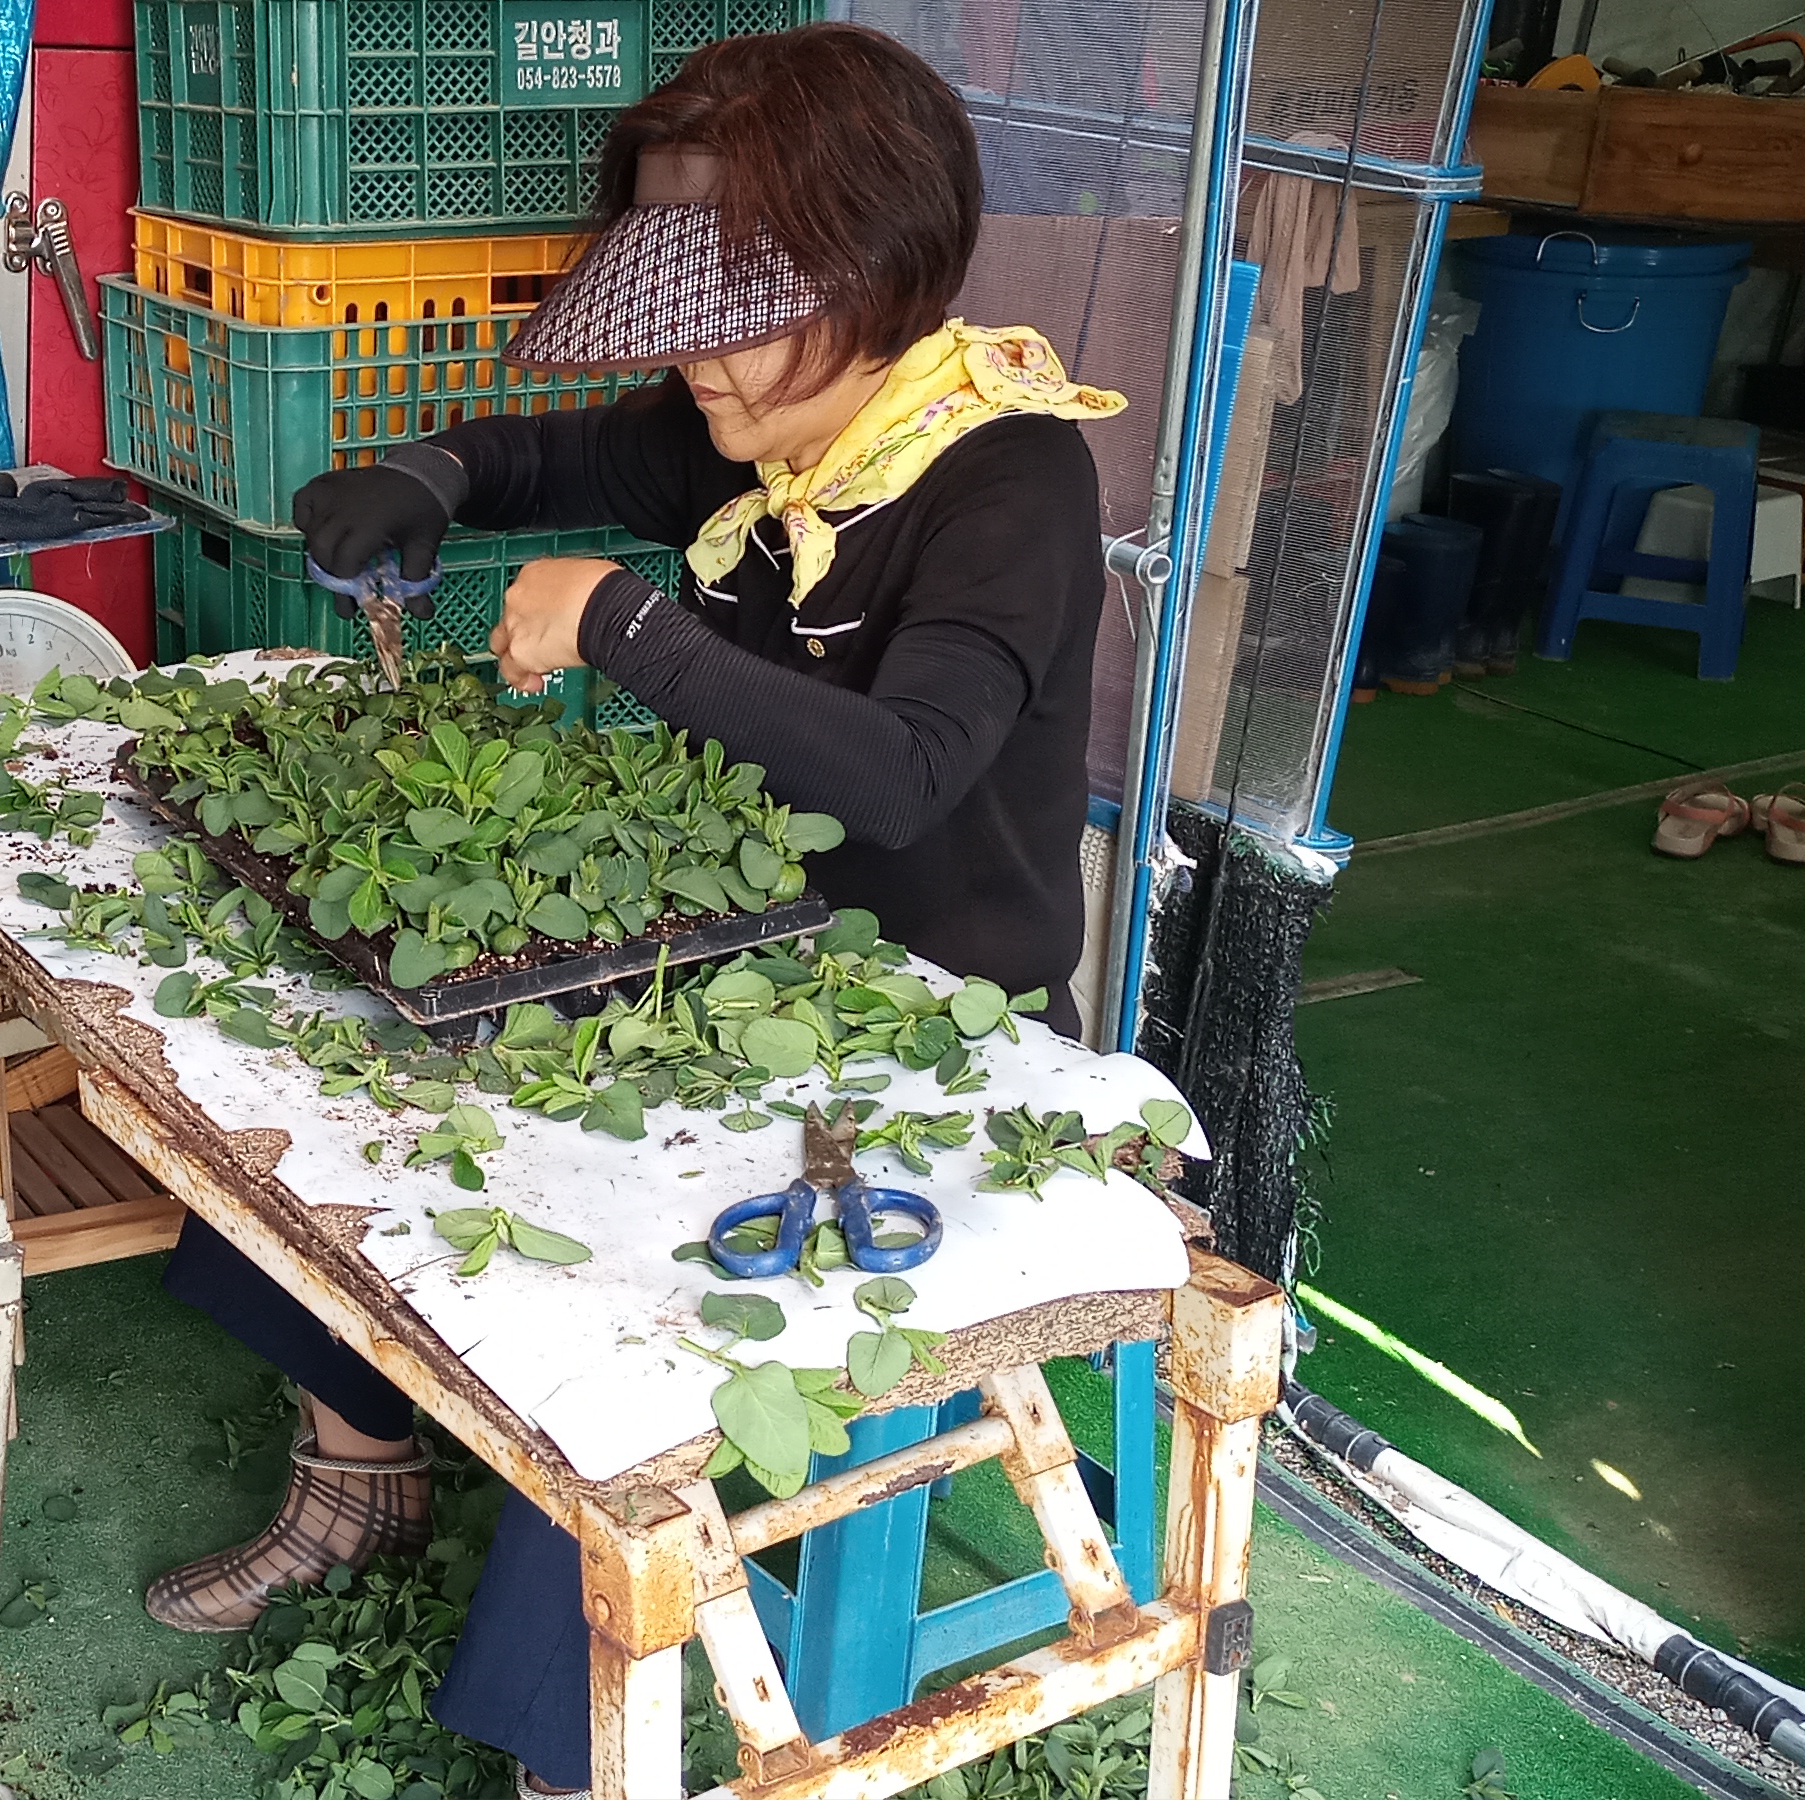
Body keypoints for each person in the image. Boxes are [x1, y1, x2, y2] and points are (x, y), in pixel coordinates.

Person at [145, 21, 1120, 1794]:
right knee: (310, 1100)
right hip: (716, 947)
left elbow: (906, 773)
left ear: (881, 280)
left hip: (918, 1024)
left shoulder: (1005, 477)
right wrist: (434, 475)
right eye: (682, 311)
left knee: (626, 1312)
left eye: (738, 316)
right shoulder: (757, 426)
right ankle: (360, 1466)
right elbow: (550, 461)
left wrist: (622, 623)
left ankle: (575, 1744)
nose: (699, 363)